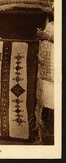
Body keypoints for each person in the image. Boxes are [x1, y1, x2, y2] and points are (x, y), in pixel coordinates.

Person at [36, 10, 54, 144]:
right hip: (47, 69)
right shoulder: (51, 25)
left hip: (57, 69)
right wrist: (41, 36)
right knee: (45, 99)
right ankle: (45, 131)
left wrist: (49, 37)